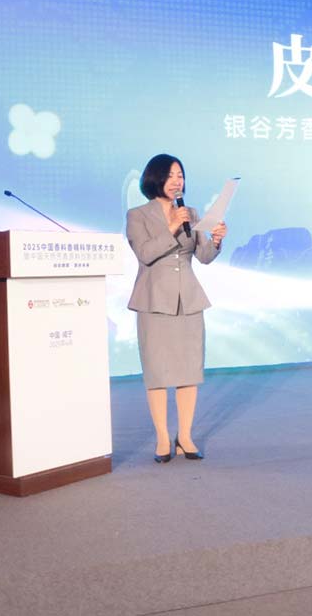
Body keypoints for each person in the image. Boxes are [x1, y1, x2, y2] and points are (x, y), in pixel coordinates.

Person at [126, 154, 227, 463]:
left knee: (188, 370)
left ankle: (185, 436)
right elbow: (145, 253)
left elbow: (203, 256)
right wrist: (170, 227)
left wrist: (216, 241)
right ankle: (161, 438)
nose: (176, 181)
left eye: (180, 175)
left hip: (189, 300)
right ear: (154, 178)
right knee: (157, 372)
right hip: (154, 300)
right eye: (170, 175)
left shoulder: (190, 213)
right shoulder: (137, 215)